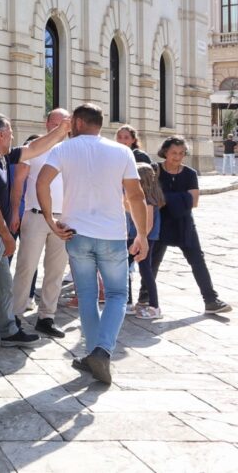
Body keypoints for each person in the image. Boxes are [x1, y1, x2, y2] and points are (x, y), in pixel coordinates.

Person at [35, 103, 148, 385]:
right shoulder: (122, 151)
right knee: (116, 295)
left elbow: (42, 182)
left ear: (81, 123)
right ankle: (101, 351)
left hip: (76, 233)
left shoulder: (63, 149)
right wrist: (142, 234)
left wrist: (50, 218)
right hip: (111, 234)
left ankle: (93, 354)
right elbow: (136, 195)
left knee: (86, 295)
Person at [0, 113, 69, 362]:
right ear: (0, 135)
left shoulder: (1, 156)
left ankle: (9, 331)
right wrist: (7, 235)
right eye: (9, 132)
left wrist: (61, 131)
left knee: (3, 287)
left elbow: (33, 148)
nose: (12, 136)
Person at [144, 136, 231, 315]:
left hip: (184, 223)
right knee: (153, 262)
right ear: (165, 152)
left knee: (197, 260)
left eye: (181, 153)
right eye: (174, 153)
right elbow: (152, 199)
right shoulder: (155, 170)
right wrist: (181, 198)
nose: (177, 157)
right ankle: (145, 300)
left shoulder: (190, 173)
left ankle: (211, 300)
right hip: (160, 223)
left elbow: (194, 201)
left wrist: (165, 198)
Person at [8, 108, 71, 339]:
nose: (59, 126)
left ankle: (47, 317)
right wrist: (15, 211)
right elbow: (18, 182)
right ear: (46, 124)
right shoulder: (35, 148)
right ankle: (14, 315)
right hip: (34, 215)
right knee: (26, 266)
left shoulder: (71, 150)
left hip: (64, 218)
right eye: (55, 122)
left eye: (63, 122)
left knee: (55, 270)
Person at [132, 163, 164, 320]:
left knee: (146, 271)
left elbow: (148, 224)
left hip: (143, 239)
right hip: (139, 238)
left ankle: (154, 307)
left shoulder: (148, 200)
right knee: (128, 269)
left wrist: (139, 239)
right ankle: (128, 302)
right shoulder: (148, 197)